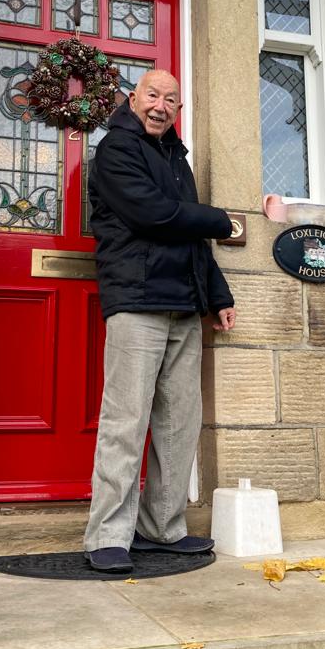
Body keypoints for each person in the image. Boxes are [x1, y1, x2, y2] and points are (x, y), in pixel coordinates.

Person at [83, 69, 236, 573]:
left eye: (172, 99)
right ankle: (107, 536)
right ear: (134, 98)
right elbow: (154, 215)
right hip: (136, 300)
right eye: (153, 95)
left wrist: (217, 294)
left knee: (178, 423)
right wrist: (221, 219)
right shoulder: (115, 150)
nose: (161, 106)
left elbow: (190, 235)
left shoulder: (176, 159)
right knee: (126, 421)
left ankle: (162, 530)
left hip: (183, 304)